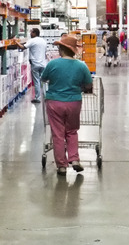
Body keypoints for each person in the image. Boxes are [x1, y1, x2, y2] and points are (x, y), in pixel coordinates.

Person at [42, 35, 93, 176]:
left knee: (58, 134)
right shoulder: (81, 65)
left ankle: (61, 166)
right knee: (71, 131)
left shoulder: (52, 64)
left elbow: (43, 78)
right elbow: (89, 84)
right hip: (74, 102)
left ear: (62, 49)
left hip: (54, 102)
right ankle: (74, 159)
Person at [16, 28, 47, 104]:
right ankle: (46, 96)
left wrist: (16, 42)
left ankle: (37, 98)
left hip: (35, 64)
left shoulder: (32, 40)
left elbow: (23, 47)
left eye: (31, 32)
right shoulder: (43, 41)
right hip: (43, 64)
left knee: (36, 81)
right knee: (43, 81)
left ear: (34, 33)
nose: (30, 34)